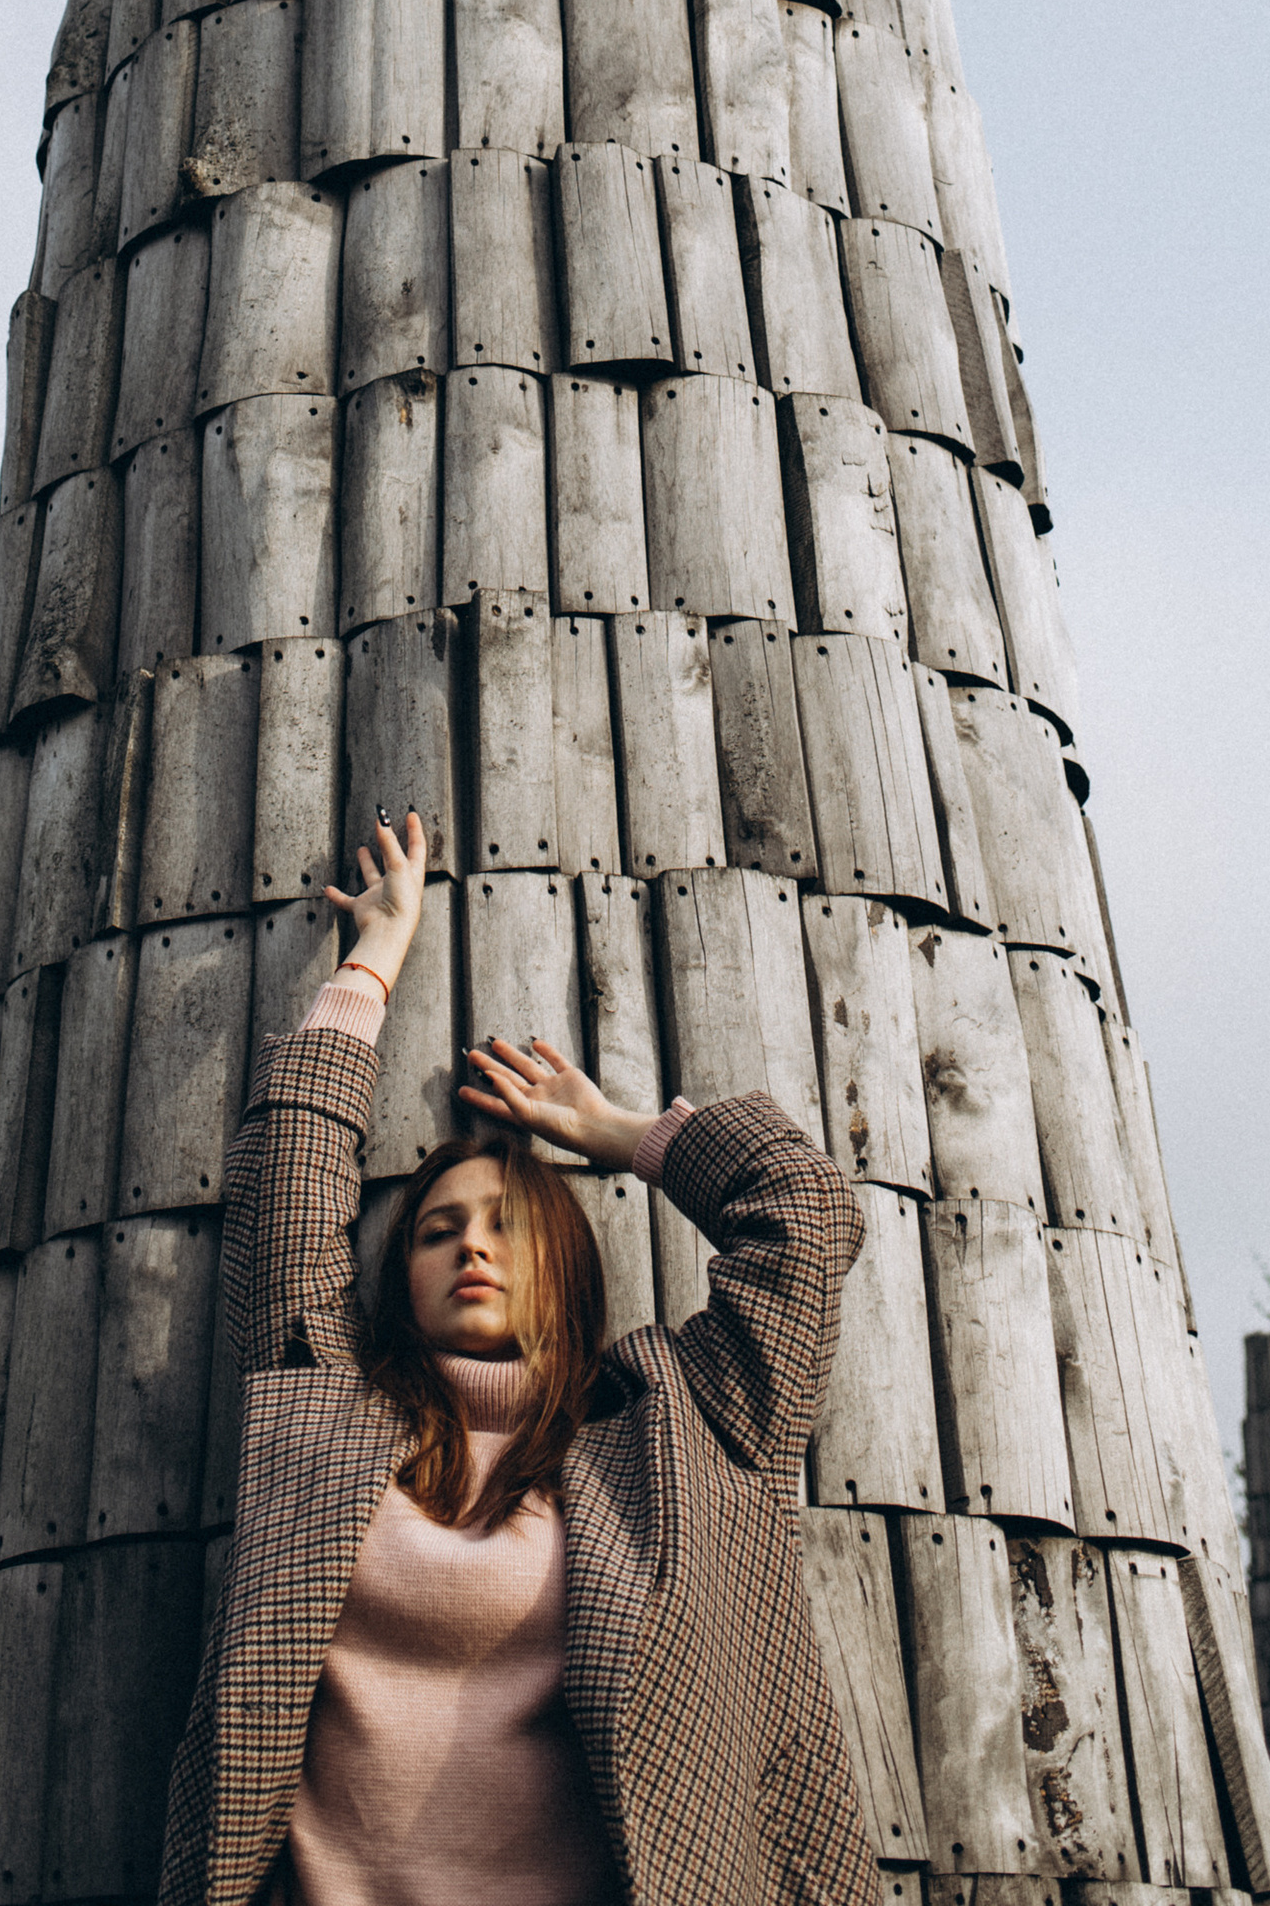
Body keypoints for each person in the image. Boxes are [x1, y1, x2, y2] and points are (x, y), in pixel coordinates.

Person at [157, 810, 882, 1906]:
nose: (471, 1248)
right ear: (400, 1275)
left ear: (565, 1264)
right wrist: (373, 956)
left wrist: (621, 1134)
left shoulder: (688, 1419)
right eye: (438, 1231)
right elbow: (288, 1189)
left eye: (506, 1223)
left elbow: (804, 1212)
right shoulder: (320, 1405)